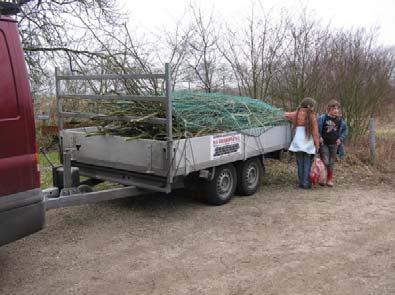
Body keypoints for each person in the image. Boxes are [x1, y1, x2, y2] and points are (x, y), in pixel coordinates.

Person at [285, 97, 320, 189]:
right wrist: (317, 145)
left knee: (300, 163)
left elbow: (285, 115)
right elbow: (315, 133)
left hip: (297, 142)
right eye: (312, 106)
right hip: (308, 142)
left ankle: (301, 182)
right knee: (307, 163)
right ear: (309, 106)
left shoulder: (296, 114)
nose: (313, 108)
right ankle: (305, 183)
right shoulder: (311, 116)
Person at [317, 100, 348, 187]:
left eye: (337, 108)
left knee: (331, 162)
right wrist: (319, 137)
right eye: (334, 108)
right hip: (324, 144)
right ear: (329, 109)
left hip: (334, 144)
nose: (336, 110)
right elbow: (316, 128)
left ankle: (329, 179)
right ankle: (322, 177)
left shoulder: (340, 120)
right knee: (325, 161)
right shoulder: (322, 118)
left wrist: (340, 139)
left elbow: (345, 131)